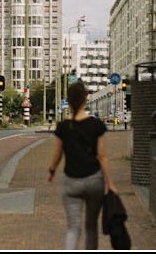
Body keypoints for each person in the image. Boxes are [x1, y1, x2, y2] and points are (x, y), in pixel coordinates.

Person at [47, 80, 118, 250]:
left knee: (73, 227)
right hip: (94, 181)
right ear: (86, 99)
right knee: (91, 227)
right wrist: (110, 184)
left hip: (72, 182)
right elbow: (102, 156)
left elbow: (57, 155)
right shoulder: (96, 125)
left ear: (69, 101)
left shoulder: (63, 127)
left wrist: (52, 171)